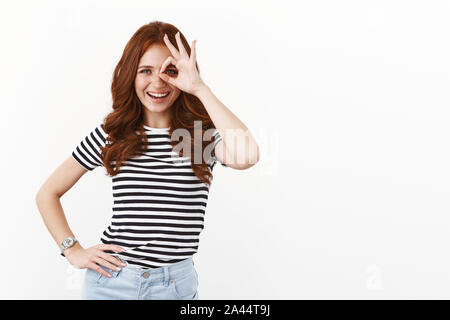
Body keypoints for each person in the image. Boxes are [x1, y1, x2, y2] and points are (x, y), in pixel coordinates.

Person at [35, 20, 260, 300]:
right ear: (131, 75)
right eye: (146, 71)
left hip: (174, 286)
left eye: (170, 71)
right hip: (112, 282)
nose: (157, 82)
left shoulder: (200, 137)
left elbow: (249, 155)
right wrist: (72, 250)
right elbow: (47, 193)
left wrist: (200, 88)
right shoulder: (112, 134)